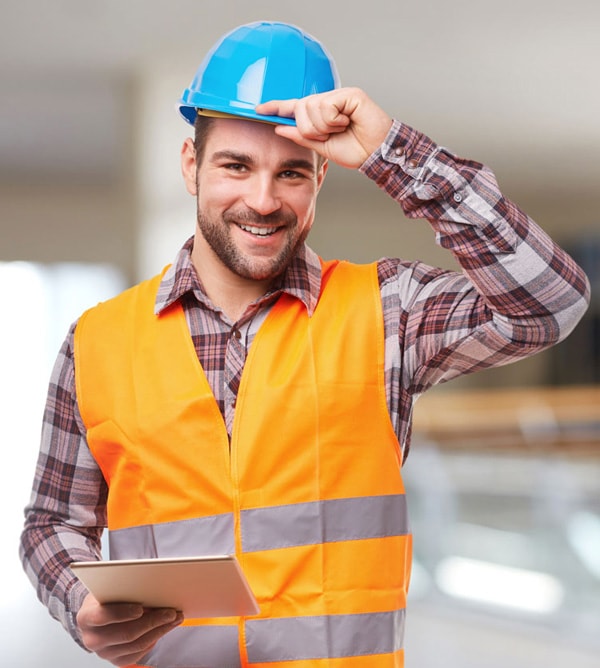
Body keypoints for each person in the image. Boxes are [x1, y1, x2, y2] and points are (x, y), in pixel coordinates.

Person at [20, 20, 590, 668]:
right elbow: (51, 523)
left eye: (291, 173)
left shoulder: (385, 314)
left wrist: (393, 152)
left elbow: (551, 301)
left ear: (320, 178)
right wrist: (80, 603)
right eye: (236, 166)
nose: (262, 200)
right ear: (191, 165)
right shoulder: (96, 340)